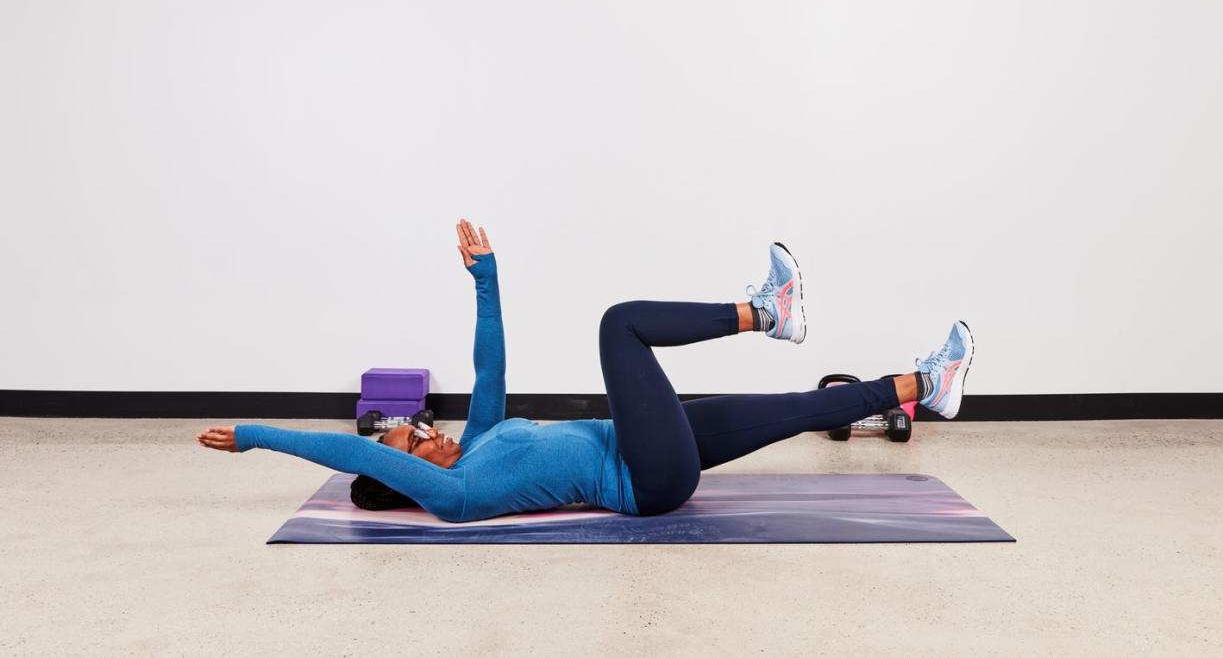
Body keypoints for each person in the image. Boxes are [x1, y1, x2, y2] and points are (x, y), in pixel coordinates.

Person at [197, 219, 974, 521]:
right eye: (408, 442)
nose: (419, 429)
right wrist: (257, 435)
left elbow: (488, 362)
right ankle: (767, 312)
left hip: (655, 448)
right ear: (406, 477)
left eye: (412, 428)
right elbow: (354, 453)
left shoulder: (480, 439)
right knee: (618, 325)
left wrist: (488, 277)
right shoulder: (454, 496)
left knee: (796, 407)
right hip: (645, 477)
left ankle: (922, 386)